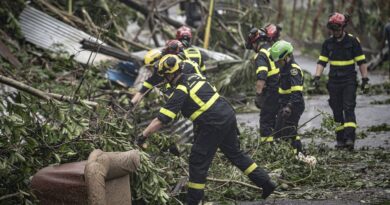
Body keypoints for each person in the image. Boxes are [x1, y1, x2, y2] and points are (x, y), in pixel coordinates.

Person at [135, 54, 276, 204]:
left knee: (197, 160)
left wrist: (142, 136)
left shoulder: (181, 89)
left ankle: (193, 201)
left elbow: (161, 119)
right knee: (235, 153)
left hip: (213, 123)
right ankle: (266, 183)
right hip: (227, 114)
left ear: (170, 74)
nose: (164, 79)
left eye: (164, 76)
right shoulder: (195, 77)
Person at [313, 13, 369, 150]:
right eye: (332, 30)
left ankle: (350, 138)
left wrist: (365, 79)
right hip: (334, 81)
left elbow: (361, 62)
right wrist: (317, 77)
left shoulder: (352, 42)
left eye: (337, 29)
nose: (335, 32)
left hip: (349, 80)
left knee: (348, 108)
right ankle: (340, 139)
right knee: (337, 111)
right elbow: (322, 62)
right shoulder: (328, 43)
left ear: (343, 27)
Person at [130, 40, 203, 106]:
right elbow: (142, 91)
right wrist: (131, 103)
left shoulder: (176, 69)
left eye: (150, 67)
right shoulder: (155, 75)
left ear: (156, 63)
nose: (149, 70)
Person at [245, 24, 281, 143]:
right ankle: (278, 143)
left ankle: (268, 147)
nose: (253, 47)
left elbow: (262, 76)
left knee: (266, 121)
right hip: (281, 89)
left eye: (253, 45)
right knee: (276, 119)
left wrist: (258, 95)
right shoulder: (272, 49)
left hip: (271, 91)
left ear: (256, 42)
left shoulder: (261, 55)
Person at [269, 40, 305, 155]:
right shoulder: (283, 69)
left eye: (279, 61)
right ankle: (295, 154)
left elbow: (296, 93)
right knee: (278, 133)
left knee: (288, 132)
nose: (277, 63)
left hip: (294, 105)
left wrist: (289, 107)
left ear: (286, 57)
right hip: (284, 105)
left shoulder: (293, 70)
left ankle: (298, 155)